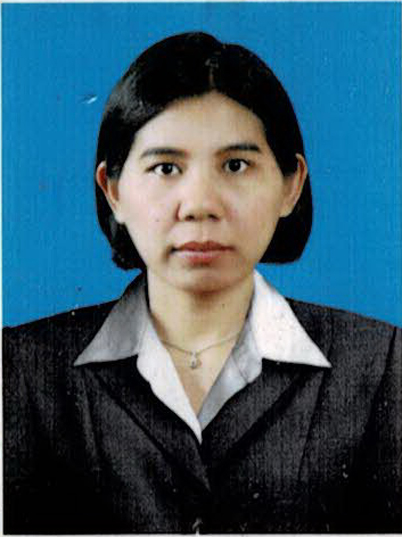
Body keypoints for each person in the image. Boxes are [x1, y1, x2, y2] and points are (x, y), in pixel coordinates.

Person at [3, 32, 401, 534]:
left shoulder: (383, 364)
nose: (199, 205)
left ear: (291, 185)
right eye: (166, 167)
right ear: (113, 190)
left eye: (236, 165)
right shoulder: (20, 369)